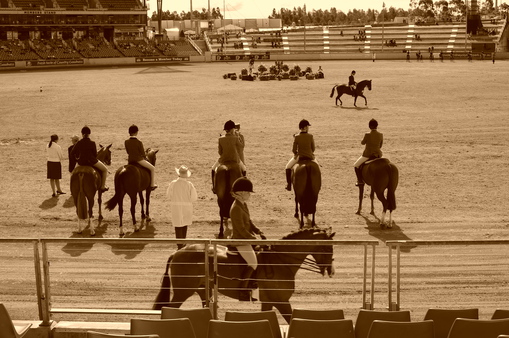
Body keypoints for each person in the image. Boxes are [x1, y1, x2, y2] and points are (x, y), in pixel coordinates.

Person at [230, 176, 266, 301]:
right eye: (248, 193)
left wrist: (258, 231)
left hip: (246, 238)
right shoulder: (235, 208)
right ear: (242, 193)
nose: (250, 195)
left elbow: (249, 222)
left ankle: (254, 285)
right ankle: (243, 291)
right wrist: (253, 239)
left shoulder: (243, 205)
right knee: (253, 263)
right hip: (240, 241)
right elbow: (241, 229)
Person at [166, 165, 198, 250]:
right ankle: (183, 243)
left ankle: (179, 245)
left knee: (177, 225)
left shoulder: (173, 183)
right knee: (184, 225)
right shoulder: (189, 184)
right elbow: (194, 198)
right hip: (187, 207)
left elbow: (168, 196)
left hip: (176, 207)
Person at [210, 120, 246, 193]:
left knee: (213, 169)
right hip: (235, 159)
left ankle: (214, 187)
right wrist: (238, 137)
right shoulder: (235, 138)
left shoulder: (220, 139)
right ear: (232, 129)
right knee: (244, 169)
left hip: (223, 159)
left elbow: (220, 152)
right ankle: (243, 187)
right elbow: (241, 146)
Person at [70, 126, 109, 192]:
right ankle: (102, 186)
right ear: (89, 134)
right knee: (105, 170)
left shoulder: (79, 143)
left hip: (81, 162)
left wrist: (77, 160)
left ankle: (72, 188)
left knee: (73, 174)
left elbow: (72, 153)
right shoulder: (92, 143)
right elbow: (95, 155)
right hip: (92, 162)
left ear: (82, 134)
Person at [284, 119, 318, 191]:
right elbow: (313, 149)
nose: (308, 128)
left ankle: (289, 185)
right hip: (310, 157)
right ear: (305, 127)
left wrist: (296, 154)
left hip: (300, 157)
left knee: (287, 167)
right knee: (317, 168)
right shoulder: (310, 136)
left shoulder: (297, 137)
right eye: (308, 126)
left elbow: (293, 150)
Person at [124, 124, 157, 190]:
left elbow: (128, 152)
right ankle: (152, 185)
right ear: (136, 132)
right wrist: (145, 156)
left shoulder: (126, 142)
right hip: (139, 160)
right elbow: (142, 154)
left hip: (130, 161)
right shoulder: (139, 142)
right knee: (152, 168)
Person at [354, 119, 384, 186]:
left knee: (356, 165)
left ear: (369, 126)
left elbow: (362, 143)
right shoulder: (380, 134)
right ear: (377, 126)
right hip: (378, 155)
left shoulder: (367, 134)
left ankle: (360, 181)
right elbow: (380, 146)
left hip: (368, 155)